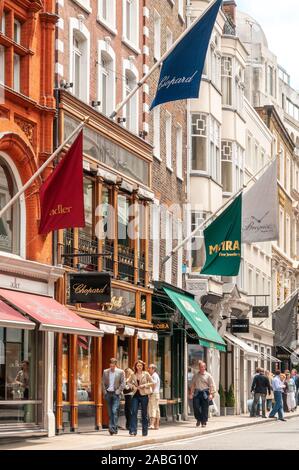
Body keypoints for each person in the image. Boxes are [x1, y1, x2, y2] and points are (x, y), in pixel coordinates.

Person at [127, 360, 154, 437]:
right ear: (135, 366)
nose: (139, 367)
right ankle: (133, 431)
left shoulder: (146, 374)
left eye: (141, 366)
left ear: (143, 366)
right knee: (133, 412)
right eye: (138, 365)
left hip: (144, 395)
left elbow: (152, 382)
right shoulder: (133, 374)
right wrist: (133, 386)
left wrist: (144, 385)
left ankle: (144, 431)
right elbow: (128, 382)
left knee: (144, 413)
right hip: (135, 395)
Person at [102, 358, 125, 435]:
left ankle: (112, 427)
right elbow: (103, 383)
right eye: (110, 365)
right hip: (108, 393)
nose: (111, 367)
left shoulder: (121, 372)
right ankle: (113, 428)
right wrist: (105, 392)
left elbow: (123, 384)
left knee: (114, 410)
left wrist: (118, 391)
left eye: (113, 366)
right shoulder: (105, 372)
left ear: (115, 365)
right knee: (110, 412)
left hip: (116, 394)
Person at [190, 361, 216, 428]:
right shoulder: (195, 375)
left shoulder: (208, 376)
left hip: (205, 393)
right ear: (199, 367)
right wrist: (191, 393)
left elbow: (212, 385)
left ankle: (203, 421)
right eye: (200, 367)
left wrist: (211, 394)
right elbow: (193, 385)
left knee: (205, 408)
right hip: (197, 393)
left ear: (205, 367)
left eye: (203, 367)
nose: (202, 368)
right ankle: (198, 419)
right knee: (196, 407)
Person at [148, 364, 160, 430]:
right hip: (156, 393)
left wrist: (151, 392)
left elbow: (154, 384)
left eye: (149, 368)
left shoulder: (154, 375)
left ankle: (152, 424)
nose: (148, 369)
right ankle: (157, 425)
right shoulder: (155, 375)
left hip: (154, 393)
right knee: (156, 409)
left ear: (153, 369)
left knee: (152, 408)